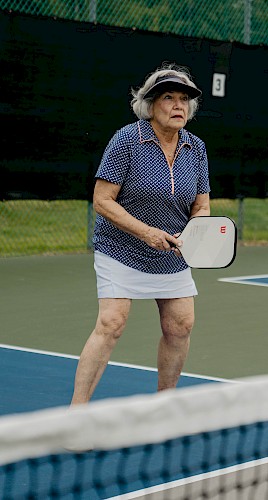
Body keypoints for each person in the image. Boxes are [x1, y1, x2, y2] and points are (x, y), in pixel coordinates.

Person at [70, 63, 210, 405]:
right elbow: (102, 201)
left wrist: (192, 237)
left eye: (183, 100)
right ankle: (75, 414)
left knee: (180, 325)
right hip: (121, 248)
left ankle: (162, 407)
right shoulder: (127, 140)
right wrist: (146, 232)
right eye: (168, 98)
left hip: (171, 254)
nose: (178, 106)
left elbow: (202, 206)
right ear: (150, 104)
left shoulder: (196, 148)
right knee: (112, 322)